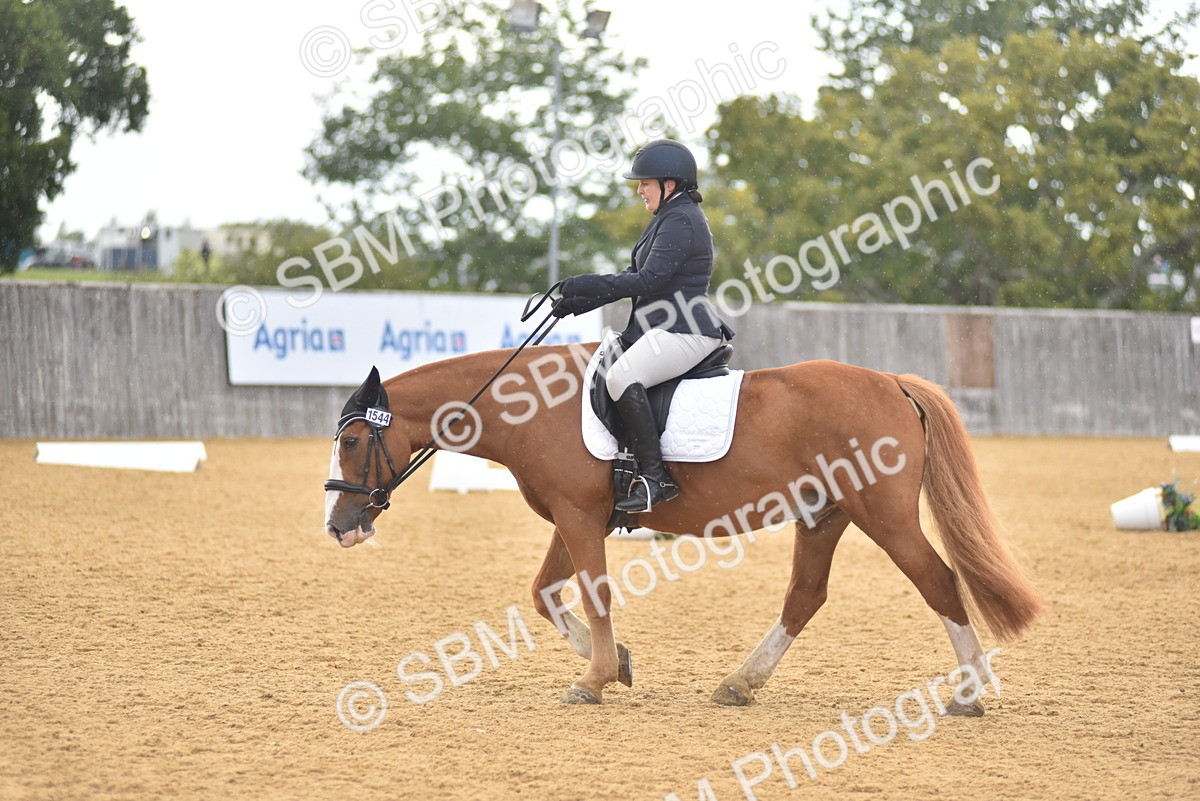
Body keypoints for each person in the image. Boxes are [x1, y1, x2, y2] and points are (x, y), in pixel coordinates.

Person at [552, 139, 734, 514]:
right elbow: (632, 275)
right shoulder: (667, 218)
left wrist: (585, 282)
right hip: (664, 328)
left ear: (669, 184)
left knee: (622, 377)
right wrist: (579, 302)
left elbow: (648, 281)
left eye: (645, 183)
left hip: (686, 329)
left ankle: (655, 478)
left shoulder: (681, 220)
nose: (639, 190)